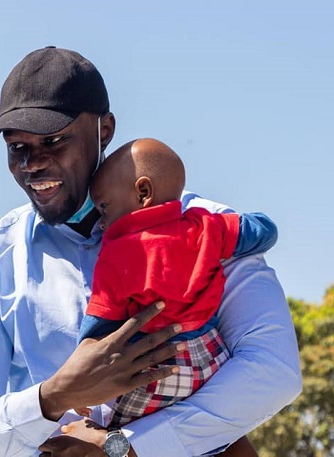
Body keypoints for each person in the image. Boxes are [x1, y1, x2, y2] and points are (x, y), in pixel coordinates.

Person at [0, 46, 302, 457]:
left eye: (54, 140)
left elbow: (274, 372)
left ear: (104, 130)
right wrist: (54, 396)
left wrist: (124, 450)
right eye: (17, 148)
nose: (33, 164)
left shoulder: (202, 225)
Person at [74, 138, 277, 430]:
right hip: (213, 358)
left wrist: (80, 378)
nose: (101, 222)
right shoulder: (205, 226)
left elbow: (99, 326)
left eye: (104, 207)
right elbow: (262, 231)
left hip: (157, 368)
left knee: (111, 435)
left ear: (143, 192)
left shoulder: (117, 255)